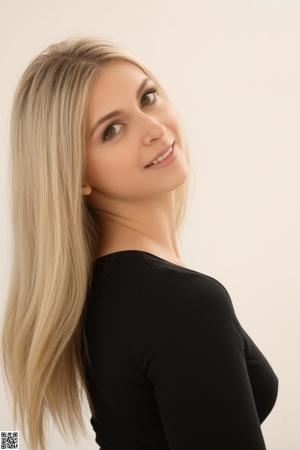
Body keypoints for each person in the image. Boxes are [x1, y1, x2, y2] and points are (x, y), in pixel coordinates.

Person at [0, 36, 278, 450]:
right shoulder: (181, 304)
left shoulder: (101, 292)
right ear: (76, 175)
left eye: (148, 97)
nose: (154, 128)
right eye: (112, 129)